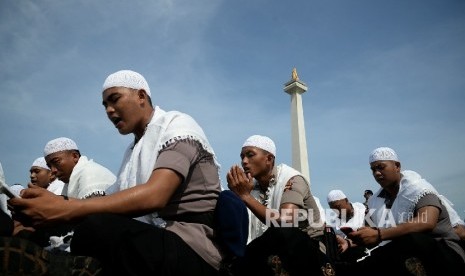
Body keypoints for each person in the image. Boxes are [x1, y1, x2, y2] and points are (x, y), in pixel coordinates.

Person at [8, 69, 222, 276]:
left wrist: (66, 208)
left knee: (97, 228)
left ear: (141, 96)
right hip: (159, 242)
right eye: (105, 105)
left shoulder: (177, 126)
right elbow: (112, 200)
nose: (109, 110)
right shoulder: (133, 150)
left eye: (115, 99)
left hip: (193, 248)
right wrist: (53, 204)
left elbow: (156, 195)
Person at [337, 147, 465, 276]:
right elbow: (370, 231)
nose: (376, 173)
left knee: (410, 240)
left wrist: (380, 235)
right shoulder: (375, 201)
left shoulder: (418, 189)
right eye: (373, 169)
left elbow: (426, 222)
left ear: (397, 166)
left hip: (444, 253)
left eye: (380, 167)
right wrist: (349, 242)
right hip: (405, 254)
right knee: (391, 251)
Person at [227, 134, 332, 276]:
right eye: (242, 157)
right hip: (270, 250)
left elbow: (285, 222)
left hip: (306, 251)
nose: (244, 162)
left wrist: (245, 196)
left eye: (250, 155)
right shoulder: (252, 187)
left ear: (269, 159)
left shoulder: (293, 179)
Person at [44, 137, 115, 199]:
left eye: (56, 162)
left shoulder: (90, 173)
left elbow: (94, 211)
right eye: (49, 166)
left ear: (75, 156)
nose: (53, 170)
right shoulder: (70, 183)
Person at [326, 189, 367, 262]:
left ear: (346, 200)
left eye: (338, 207)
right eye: (333, 209)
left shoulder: (363, 211)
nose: (337, 211)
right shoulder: (333, 224)